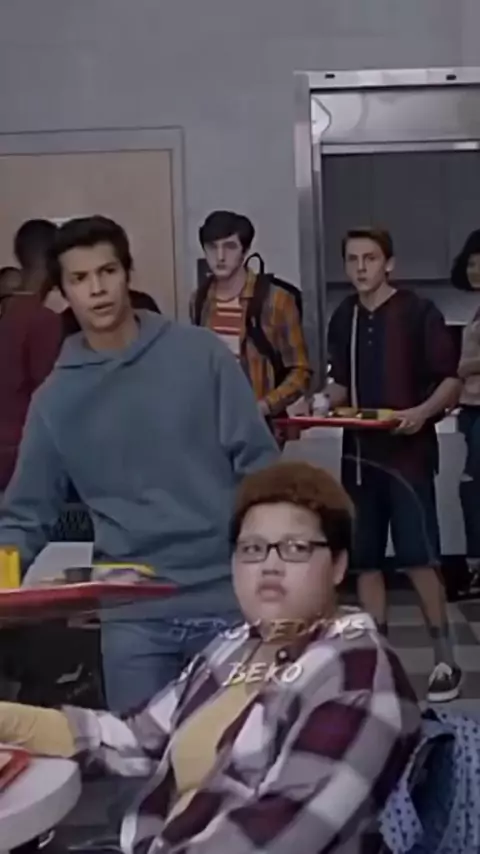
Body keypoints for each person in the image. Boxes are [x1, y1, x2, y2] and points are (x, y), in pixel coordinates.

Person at [0, 462, 422, 853]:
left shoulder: (356, 674)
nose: (269, 566)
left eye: (294, 548)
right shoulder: (238, 645)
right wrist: (8, 719)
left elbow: (276, 841)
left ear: (338, 566)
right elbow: (135, 738)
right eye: (252, 549)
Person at [0, 215, 278, 714]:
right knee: (139, 757)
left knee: (241, 752)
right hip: (133, 617)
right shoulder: (56, 400)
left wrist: (268, 572)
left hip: (227, 601)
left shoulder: (200, 355)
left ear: (128, 274)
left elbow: (261, 470)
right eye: (80, 278)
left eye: (107, 272)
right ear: (63, 291)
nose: (97, 289)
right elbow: (24, 515)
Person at [323, 227, 462, 703]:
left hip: (408, 457)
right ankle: (378, 663)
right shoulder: (343, 317)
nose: (360, 267)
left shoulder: (419, 312)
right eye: (352, 259)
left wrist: (420, 414)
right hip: (360, 456)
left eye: (370, 258)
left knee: (419, 557)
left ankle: (445, 658)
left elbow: (450, 381)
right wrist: (318, 403)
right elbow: (340, 385)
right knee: (364, 561)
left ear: (389, 264)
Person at [191, 211, 311, 430]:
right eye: (212, 247)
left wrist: (264, 407)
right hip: (215, 424)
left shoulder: (276, 300)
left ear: (245, 251)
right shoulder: (200, 300)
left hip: (261, 425)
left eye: (230, 247)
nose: (220, 256)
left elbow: (300, 371)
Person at [452, 230, 480, 594]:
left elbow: (468, 363)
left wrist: (462, 367)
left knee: (472, 488)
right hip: (470, 407)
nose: (475, 270)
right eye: (471, 263)